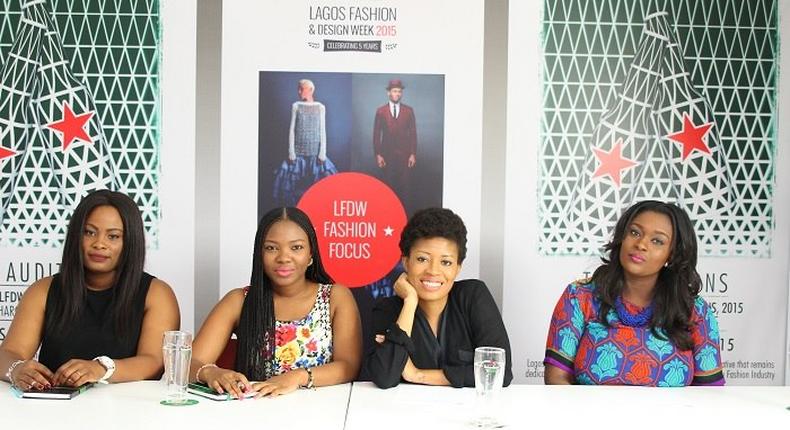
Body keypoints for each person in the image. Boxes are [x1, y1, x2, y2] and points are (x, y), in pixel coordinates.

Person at [0, 190, 180, 390]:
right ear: (76, 236)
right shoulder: (43, 290)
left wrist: (101, 369)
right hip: (54, 410)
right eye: (89, 232)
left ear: (129, 242)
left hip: (129, 412)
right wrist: (16, 369)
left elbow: (154, 362)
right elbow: (9, 352)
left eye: (113, 236)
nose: (99, 244)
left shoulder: (156, 294)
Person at [544, 200, 725, 386]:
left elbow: (711, 393)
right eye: (634, 232)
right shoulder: (579, 298)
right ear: (622, 238)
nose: (641, 244)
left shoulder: (694, 311)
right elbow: (557, 380)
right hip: (590, 414)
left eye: (657, 241)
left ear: (671, 255)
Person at [190, 207, 361, 398]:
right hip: (258, 412)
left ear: (311, 254)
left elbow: (349, 366)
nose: (283, 258)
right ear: (259, 255)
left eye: (296, 247)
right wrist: (211, 372)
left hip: (321, 413)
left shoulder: (335, 297)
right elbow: (191, 361)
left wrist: (296, 378)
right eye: (271, 248)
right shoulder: (240, 301)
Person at [366, 208, 513, 388]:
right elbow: (385, 377)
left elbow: (500, 373)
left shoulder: (473, 296)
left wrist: (418, 375)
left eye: (446, 262)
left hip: (469, 413)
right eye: (422, 259)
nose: (433, 271)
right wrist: (410, 302)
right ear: (406, 262)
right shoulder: (388, 310)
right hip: (408, 413)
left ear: (458, 268)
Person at [273, 79, 338, 206]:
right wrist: (291, 152)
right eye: (298, 88)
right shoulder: (296, 106)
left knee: (323, 185)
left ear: (311, 90)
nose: (299, 91)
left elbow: (322, 131)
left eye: (301, 89)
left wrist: (322, 153)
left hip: (315, 152)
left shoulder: (320, 107)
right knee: (288, 185)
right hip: (298, 152)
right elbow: (292, 130)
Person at [372, 79, 417, 214]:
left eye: (399, 91)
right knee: (388, 186)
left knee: (405, 187)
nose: (397, 94)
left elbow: (413, 133)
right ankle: (388, 214)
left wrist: (413, 153)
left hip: (404, 155)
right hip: (387, 156)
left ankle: (403, 215)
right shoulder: (381, 111)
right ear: (388, 93)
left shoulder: (409, 111)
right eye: (394, 91)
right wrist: (378, 154)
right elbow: (376, 133)